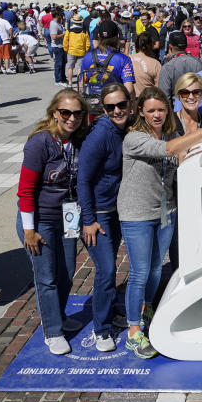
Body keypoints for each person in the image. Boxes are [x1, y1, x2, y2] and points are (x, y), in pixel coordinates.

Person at [119, 86, 202, 358]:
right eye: (151, 110)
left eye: (161, 109)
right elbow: (168, 149)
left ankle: (147, 308)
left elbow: (180, 152)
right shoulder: (134, 138)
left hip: (165, 209)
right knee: (140, 271)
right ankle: (133, 331)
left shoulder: (170, 132)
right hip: (137, 212)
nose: (157, 115)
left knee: (157, 268)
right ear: (141, 113)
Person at [17, 89, 90, 355]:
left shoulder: (80, 139)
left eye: (77, 113)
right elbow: (25, 190)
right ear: (54, 113)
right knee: (46, 277)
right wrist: (29, 230)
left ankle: (58, 315)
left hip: (68, 216)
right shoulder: (41, 142)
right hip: (40, 219)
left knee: (67, 271)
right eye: (65, 113)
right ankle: (53, 331)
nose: (71, 118)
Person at [77, 83, 131, 353]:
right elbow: (83, 180)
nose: (117, 110)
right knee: (107, 269)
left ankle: (109, 314)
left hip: (116, 211)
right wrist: (88, 219)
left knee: (112, 269)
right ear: (103, 109)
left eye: (121, 104)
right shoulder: (100, 136)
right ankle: (101, 329)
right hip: (98, 214)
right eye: (110, 107)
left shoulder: (128, 128)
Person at [157, 32, 202, 106]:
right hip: (197, 108)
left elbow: (164, 97)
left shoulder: (167, 67)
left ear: (170, 45)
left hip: (177, 111)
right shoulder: (199, 62)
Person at [63, 14, 89, 87]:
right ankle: (80, 83)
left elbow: (65, 41)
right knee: (80, 68)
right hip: (81, 52)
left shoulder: (69, 30)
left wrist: (66, 49)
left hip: (71, 51)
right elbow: (88, 43)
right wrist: (86, 50)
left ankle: (70, 83)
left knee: (70, 67)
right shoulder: (84, 31)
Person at [0, 9, 14, 74]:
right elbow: (10, 28)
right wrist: (11, 36)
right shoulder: (4, 21)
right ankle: (7, 69)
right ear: (1, 14)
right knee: (6, 56)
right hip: (5, 40)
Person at [49, 11, 67, 87]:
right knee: (59, 64)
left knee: (63, 63)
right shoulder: (54, 24)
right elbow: (54, 37)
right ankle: (58, 80)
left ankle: (62, 78)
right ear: (57, 15)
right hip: (57, 46)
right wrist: (64, 34)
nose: (62, 16)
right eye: (60, 15)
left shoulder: (57, 23)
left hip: (61, 46)